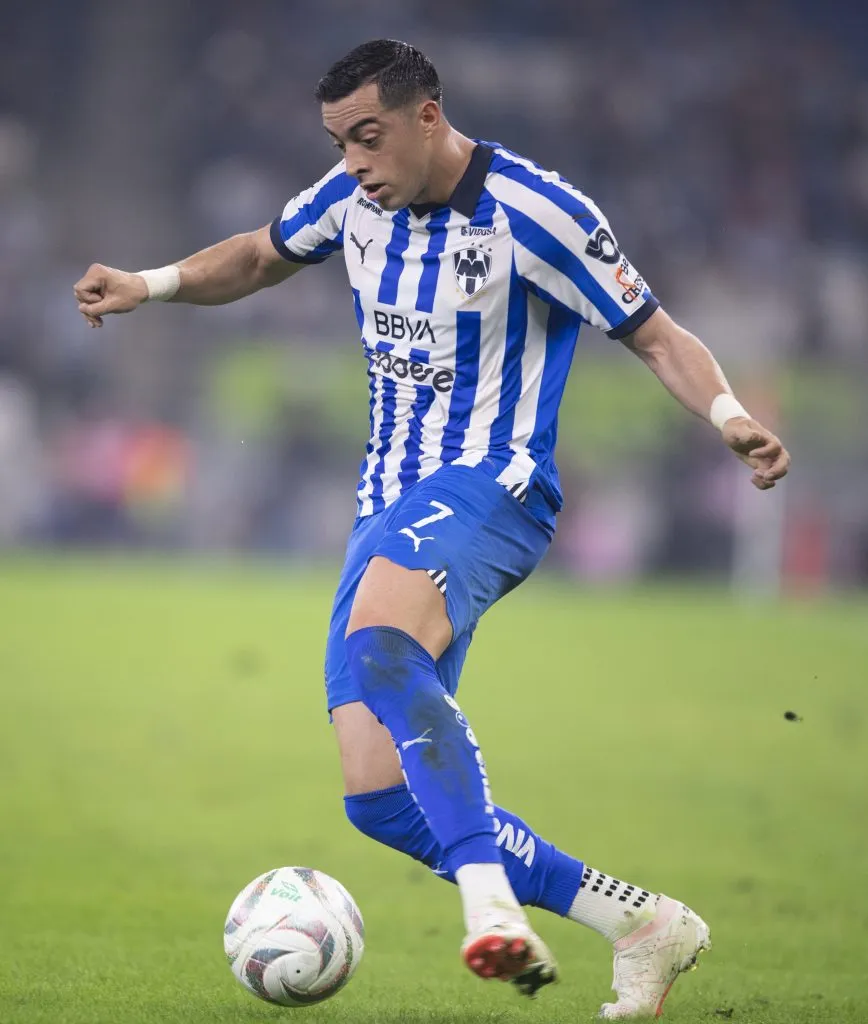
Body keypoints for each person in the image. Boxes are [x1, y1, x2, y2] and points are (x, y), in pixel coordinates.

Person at [73, 39, 790, 1018]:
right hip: (389, 501)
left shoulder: (539, 213)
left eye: (367, 137)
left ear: (425, 115)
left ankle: (489, 906)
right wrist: (148, 284)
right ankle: (641, 922)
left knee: (378, 643)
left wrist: (727, 417)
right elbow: (254, 256)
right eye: (338, 141)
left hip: (496, 485)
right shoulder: (349, 200)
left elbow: (655, 333)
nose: (354, 161)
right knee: (376, 797)